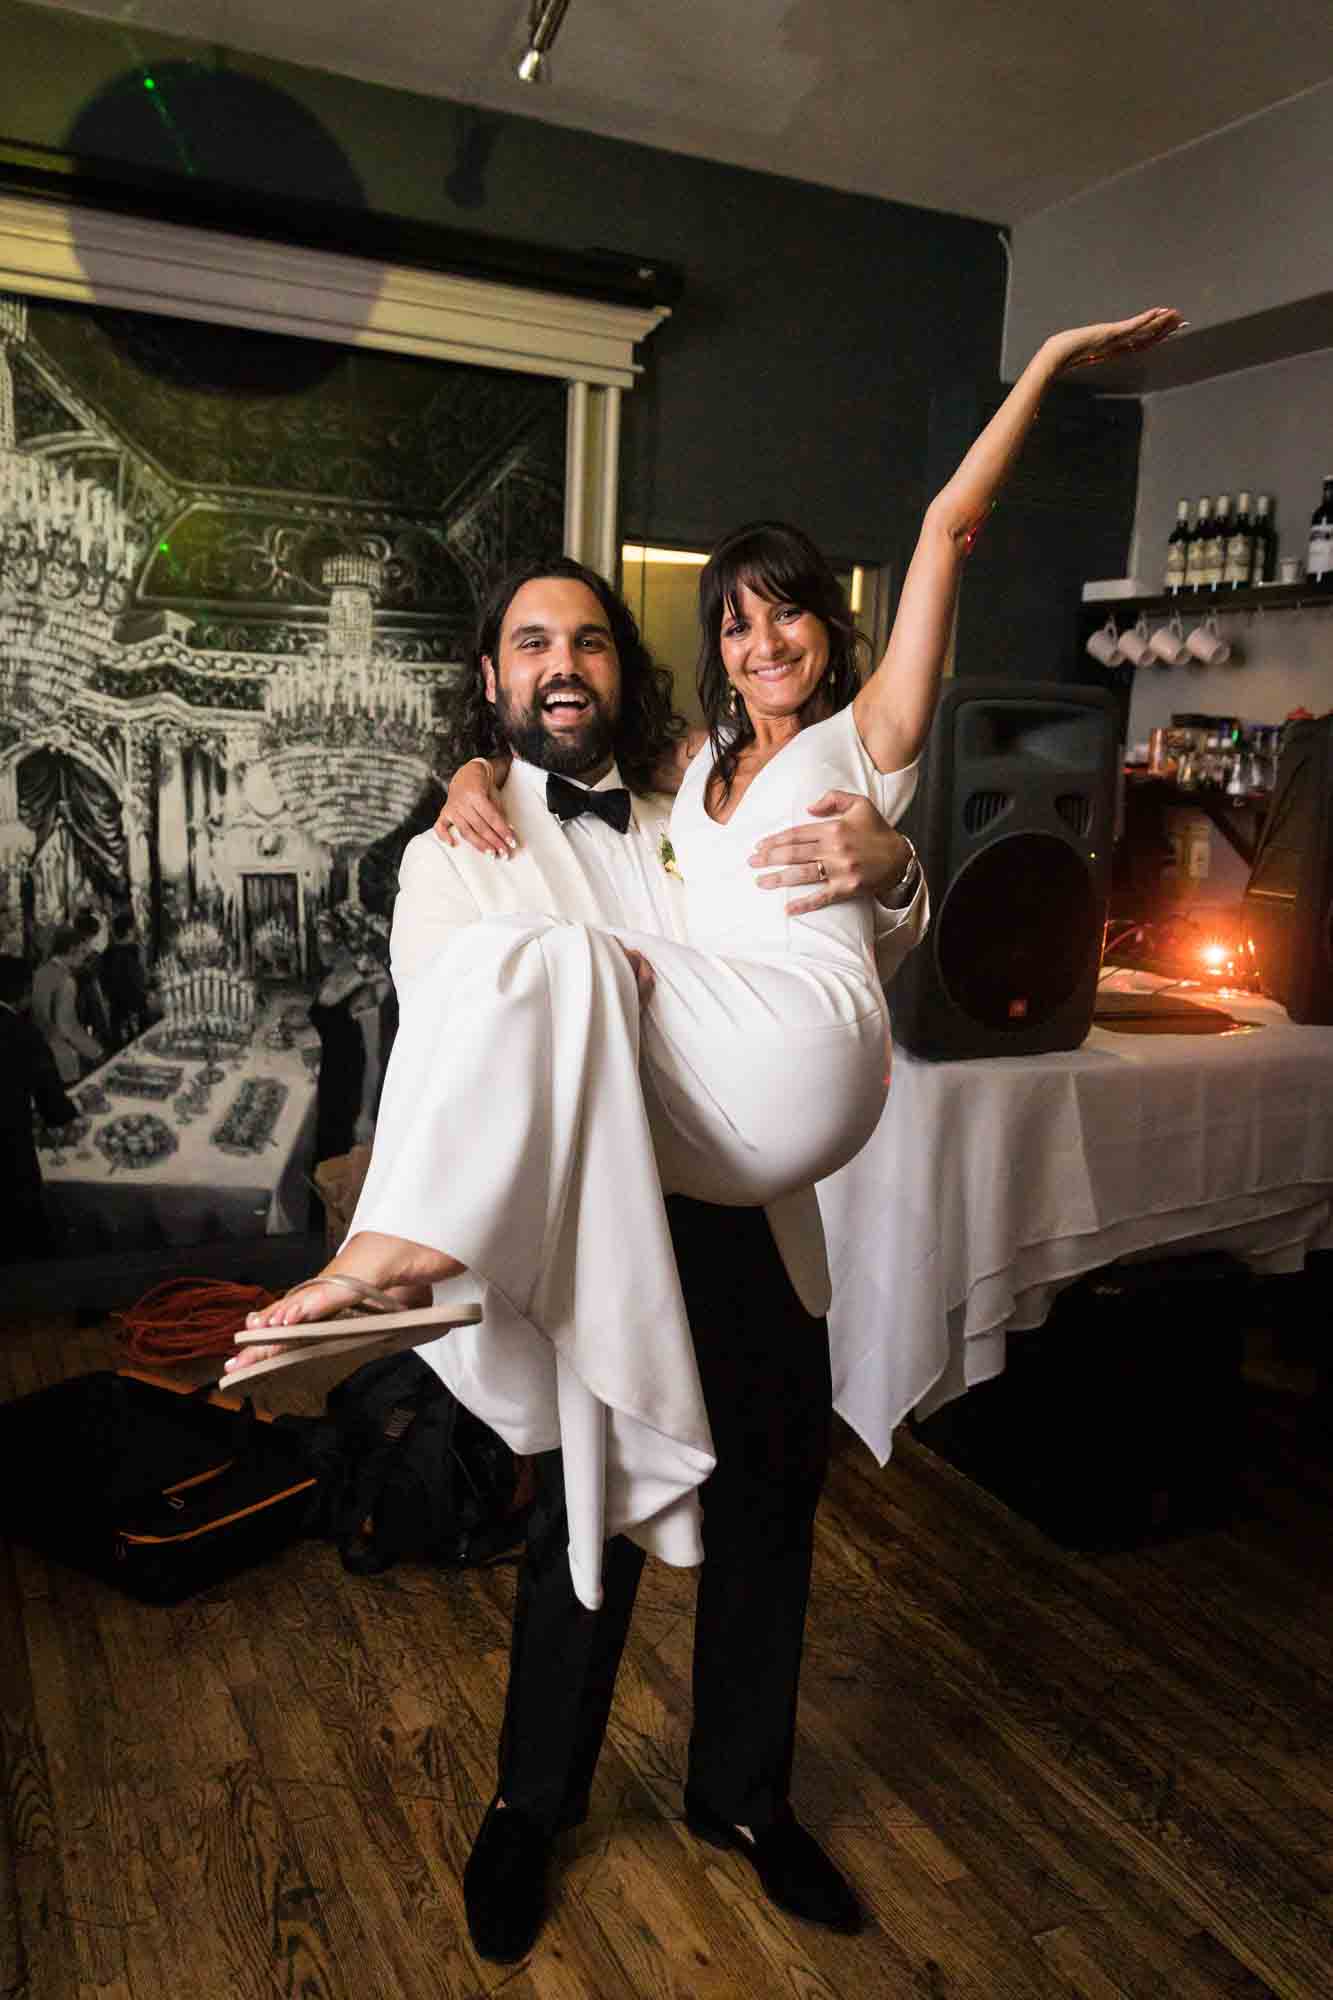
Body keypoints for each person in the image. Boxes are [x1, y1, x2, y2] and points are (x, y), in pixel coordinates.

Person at [231, 306, 1180, 1955]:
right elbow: (476, 1017)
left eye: (589, 643)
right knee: (580, 1516)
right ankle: (532, 1803)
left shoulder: (692, 796)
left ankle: (741, 1790)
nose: (561, 669)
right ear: (493, 681)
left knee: (765, 1511)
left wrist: (898, 873)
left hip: (747, 1216)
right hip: (586, 1216)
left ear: (626, 669)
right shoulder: (458, 849)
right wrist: (472, 788)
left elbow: (829, 916)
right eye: (531, 648)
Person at [0, 954, 79, 1262]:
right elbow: (54, 1108)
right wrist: (69, 1113)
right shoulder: (22, 1033)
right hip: (9, 1150)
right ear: (23, 994)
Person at [30, 925, 103, 1082]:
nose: (84, 958)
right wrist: (96, 1052)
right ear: (71, 949)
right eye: (83, 952)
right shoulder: (66, 981)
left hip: (38, 1054)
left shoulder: (39, 973)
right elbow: (67, 1027)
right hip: (63, 1059)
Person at [99, 910, 152, 1049]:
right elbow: (143, 981)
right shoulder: (135, 953)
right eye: (135, 928)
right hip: (135, 1011)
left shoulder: (104, 954)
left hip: (115, 1012)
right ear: (130, 931)